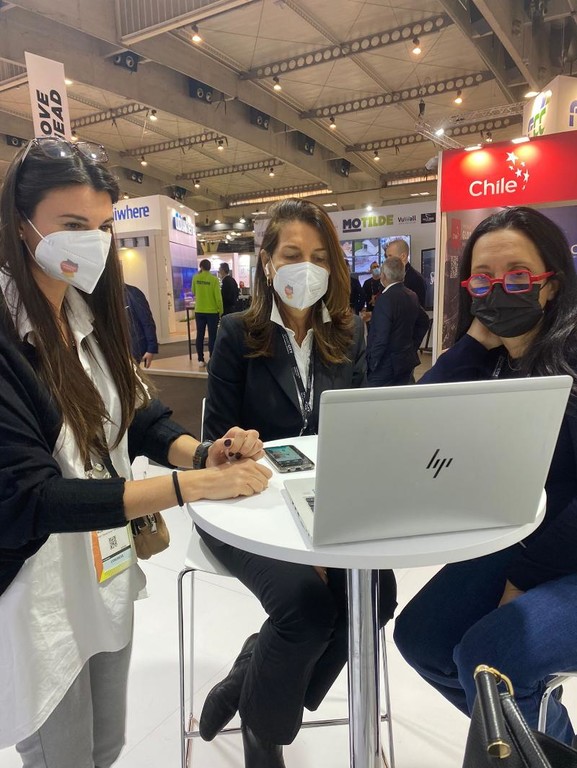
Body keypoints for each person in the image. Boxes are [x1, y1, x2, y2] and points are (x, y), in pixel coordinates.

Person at [0, 136, 272, 768]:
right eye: (72, 225)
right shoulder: (9, 333)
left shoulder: (87, 316)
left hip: (104, 568)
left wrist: (202, 454)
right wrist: (191, 487)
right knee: (63, 756)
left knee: (107, 746)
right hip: (39, 594)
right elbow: (29, 497)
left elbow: (139, 418)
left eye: (102, 227)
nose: (92, 243)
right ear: (19, 223)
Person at [199, 198, 397, 766]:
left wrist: (323, 536)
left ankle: (252, 679)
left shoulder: (348, 335)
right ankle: (263, 733)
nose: (305, 268)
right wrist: (235, 442)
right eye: (291, 254)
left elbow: (355, 436)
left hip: (323, 504)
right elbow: (213, 448)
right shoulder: (237, 333)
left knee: (374, 598)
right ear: (267, 262)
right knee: (308, 611)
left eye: (319, 257)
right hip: (244, 505)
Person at [393, 206, 577, 745]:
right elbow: (413, 422)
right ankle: (550, 744)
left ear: (551, 285)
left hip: (557, 552)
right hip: (529, 540)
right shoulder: (494, 364)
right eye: (482, 280)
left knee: (491, 658)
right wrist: (473, 344)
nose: (498, 291)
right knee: (422, 638)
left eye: (518, 277)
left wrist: (524, 578)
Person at [366, 256, 430, 386]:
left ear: (383, 276)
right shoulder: (411, 295)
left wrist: (372, 363)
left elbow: (381, 337)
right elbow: (424, 321)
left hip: (384, 366)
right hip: (405, 362)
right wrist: (412, 346)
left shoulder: (385, 299)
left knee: (376, 397)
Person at [192, 258, 222, 366]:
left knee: (199, 335)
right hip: (212, 311)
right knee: (212, 336)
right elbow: (218, 297)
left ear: (201, 267)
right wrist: (220, 310)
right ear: (209, 267)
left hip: (199, 310)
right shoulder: (214, 280)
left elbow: (193, 291)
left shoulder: (196, 278)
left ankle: (200, 359)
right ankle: (212, 358)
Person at [385, 237, 427, 307]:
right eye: (387, 256)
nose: (387, 260)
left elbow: (417, 309)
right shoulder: (392, 277)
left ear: (403, 256)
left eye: (390, 256)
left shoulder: (416, 279)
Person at [124, 282, 159, 368]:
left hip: (134, 345)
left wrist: (151, 349)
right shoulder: (105, 297)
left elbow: (147, 321)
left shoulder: (132, 293)